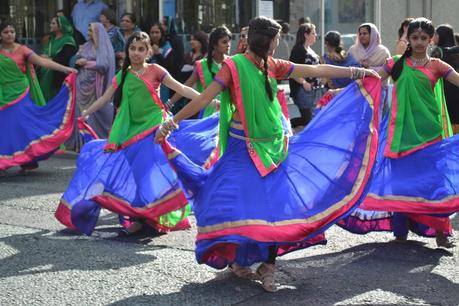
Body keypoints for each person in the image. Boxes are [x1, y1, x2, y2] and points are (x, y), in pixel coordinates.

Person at [154, 16, 379, 292]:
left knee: (274, 206)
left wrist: (358, 73)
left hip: (274, 149)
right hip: (240, 149)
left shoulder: (273, 65)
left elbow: (314, 68)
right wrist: (171, 122)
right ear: (267, 41)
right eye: (275, 40)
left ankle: (268, 266)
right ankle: (238, 259)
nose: (277, 45)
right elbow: (202, 98)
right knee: (232, 201)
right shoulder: (233, 66)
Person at [55, 32, 218, 236]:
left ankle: (152, 216)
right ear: (127, 51)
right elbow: (105, 98)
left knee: (155, 173)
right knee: (139, 177)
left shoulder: (156, 70)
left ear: (148, 51)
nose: (136, 53)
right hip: (131, 134)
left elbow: (183, 88)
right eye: (133, 48)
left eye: (141, 49)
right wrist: (86, 112)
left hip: (155, 130)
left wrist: (210, 101)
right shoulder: (123, 75)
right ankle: (143, 216)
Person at [338, 18, 459, 248]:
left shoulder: (437, 65)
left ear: (431, 39)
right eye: (415, 38)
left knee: (434, 183)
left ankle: (441, 232)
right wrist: (340, 91)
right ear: (408, 39)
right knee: (400, 182)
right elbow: (372, 81)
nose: (420, 42)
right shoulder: (395, 64)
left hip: (430, 134)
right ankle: (400, 230)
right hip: (401, 134)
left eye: (424, 38)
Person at [0, 21, 77, 173]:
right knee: (5, 128)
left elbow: (43, 62)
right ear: (0, 35)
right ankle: (5, 160)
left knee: (24, 127)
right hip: (2, 95)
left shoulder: (22, 50)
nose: (10, 34)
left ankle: (28, 159)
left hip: (20, 94)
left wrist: (66, 69)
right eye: (6, 32)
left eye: (12, 31)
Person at [69, 22, 115, 151]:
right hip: (81, 83)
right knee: (80, 112)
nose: (88, 33)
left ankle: (97, 141)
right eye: (88, 30)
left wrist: (86, 63)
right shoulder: (85, 46)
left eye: (91, 31)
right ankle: (81, 144)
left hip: (96, 86)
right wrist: (78, 61)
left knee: (95, 112)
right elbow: (75, 61)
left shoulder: (104, 47)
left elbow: (105, 65)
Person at [168, 26, 232, 118]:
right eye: (224, 42)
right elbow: (186, 86)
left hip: (229, 112)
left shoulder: (233, 63)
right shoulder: (202, 65)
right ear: (214, 45)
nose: (228, 44)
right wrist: (169, 104)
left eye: (229, 41)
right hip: (209, 114)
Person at [288, 23, 324, 128]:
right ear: (305, 35)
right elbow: (292, 71)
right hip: (303, 90)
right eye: (313, 33)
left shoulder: (310, 49)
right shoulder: (298, 49)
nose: (315, 35)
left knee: (312, 119)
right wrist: (303, 82)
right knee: (307, 119)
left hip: (314, 90)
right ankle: (284, 125)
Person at [39, 15, 77, 101]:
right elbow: (45, 51)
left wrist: (50, 59)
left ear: (60, 26)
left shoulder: (68, 40)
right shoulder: (51, 39)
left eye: (53, 23)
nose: (50, 25)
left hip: (58, 76)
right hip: (45, 74)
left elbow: (67, 58)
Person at [431, 24, 459, 133]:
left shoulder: (438, 52)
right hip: (456, 88)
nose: (434, 37)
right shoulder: (455, 52)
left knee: (445, 115)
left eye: (436, 34)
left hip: (444, 89)